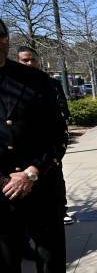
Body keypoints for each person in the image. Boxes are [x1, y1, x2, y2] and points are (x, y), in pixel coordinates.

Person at [0, 18, 74, 273]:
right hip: (1, 188)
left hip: (40, 180)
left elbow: (58, 135)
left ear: (4, 40)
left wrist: (31, 172)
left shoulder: (37, 81)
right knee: (5, 255)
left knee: (49, 249)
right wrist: (5, 179)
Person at [16, 46, 73, 226]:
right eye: (25, 60)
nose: (30, 63)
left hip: (47, 146)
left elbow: (62, 107)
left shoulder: (50, 83)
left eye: (32, 59)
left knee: (55, 177)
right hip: (21, 148)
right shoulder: (12, 84)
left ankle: (61, 209)